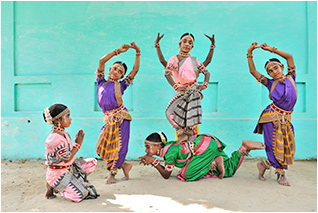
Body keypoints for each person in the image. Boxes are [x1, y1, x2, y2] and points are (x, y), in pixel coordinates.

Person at [247, 42, 297, 186]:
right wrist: (250, 51)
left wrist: (272, 50)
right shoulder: (269, 83)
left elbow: (289, 57)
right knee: (274, 145)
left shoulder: (291, 77)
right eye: (270, 71)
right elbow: (252, 71)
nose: (274, 71)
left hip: (286, 118)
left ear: (282, 67)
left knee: (287, 145)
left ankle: (264, 165)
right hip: (271, 117)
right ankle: (281, 175)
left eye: (276, 67)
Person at [154, 32, 216, 140]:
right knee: (170, 113)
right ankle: (181, 144)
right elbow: (165, 68)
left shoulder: (193, 61)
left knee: (191, 123)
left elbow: (207, 70)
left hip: (193, 92)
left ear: (192, 46)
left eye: (190, 42)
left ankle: (192, 150)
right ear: (179, 44)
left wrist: (204, 85)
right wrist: (176, 86)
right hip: (181, 92)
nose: (187, 44)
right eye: (184, 41)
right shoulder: (173, 59)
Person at [95, 42, 140, 184]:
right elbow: (102, 61)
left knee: (119, 146)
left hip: (121, 118)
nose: (116, 71)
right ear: (109, 69)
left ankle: (112, 174)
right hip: (108, 120)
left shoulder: (122, 85)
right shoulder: (100, 81)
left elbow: (135, 70)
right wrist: (117, 52)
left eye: (120, 71)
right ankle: (125, 166)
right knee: (106, 145)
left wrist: (137, 53)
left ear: (122, 76)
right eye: (114, 68)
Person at [138, 132, 265, 181]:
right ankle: (244, 147)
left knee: (185, 175)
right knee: (228, 170)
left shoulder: (169, 154)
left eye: (148, 146)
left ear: (158, 146)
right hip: (208, 142)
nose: (146, 150)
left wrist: (154, 162)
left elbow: (166, 175)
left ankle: (213, 163)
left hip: (203, 149)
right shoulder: (169, 145)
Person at [43, 103, 99, 202]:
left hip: (68, 168)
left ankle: (69, 182)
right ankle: (54, 185)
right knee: (79, 195)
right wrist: (78, 144)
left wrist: (76, 144)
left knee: (92, 163)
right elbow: (67, 158)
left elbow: (68, 154)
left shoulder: (63, 132)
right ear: (57, 120)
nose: (70, 119)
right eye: (67, 116)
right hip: (58, 173)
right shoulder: (54, 138)